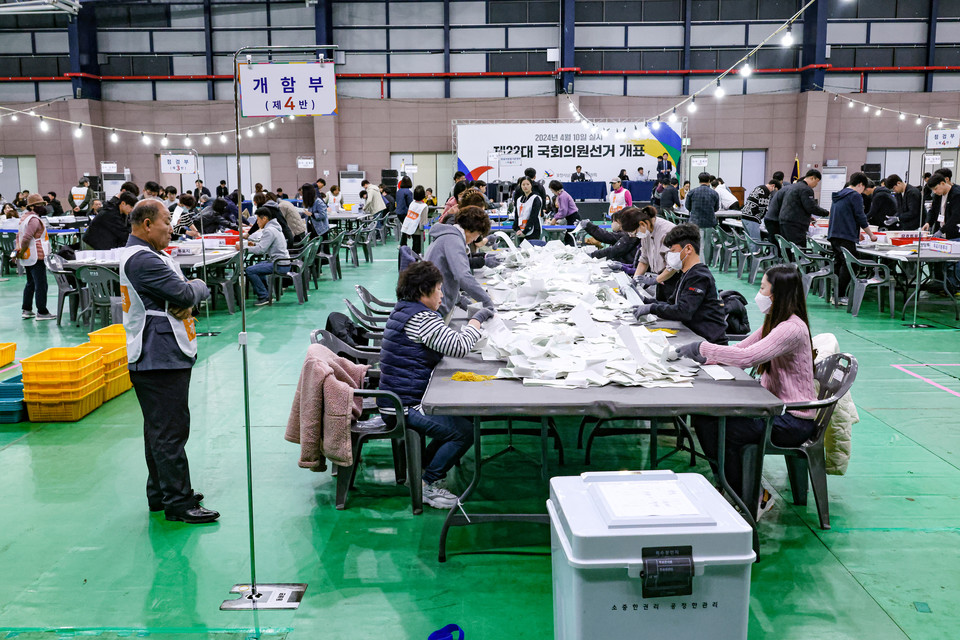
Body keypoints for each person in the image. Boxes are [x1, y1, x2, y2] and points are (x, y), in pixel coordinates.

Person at [678, 265, 817, 507]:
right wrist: (702, 358)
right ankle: (734, 487)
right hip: (776, 408)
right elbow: (740, 350)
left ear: (778, 293)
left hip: (794, 419)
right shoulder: (776, 322)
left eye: (763, 288)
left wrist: (702, 348)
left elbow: (748, 358)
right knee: (708, 420)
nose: (759, 293)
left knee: (717, 426)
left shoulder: (791, 328)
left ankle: (747, 495)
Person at [120, 199, 217, 524]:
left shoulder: (149, 256)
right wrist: (197, 287)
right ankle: (178, 501)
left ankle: (162, 492)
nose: (171, 228)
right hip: (158, 355)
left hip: (159, 351)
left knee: (159, 430)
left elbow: (180, 297)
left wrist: (184, 296)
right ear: (147, 224)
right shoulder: (143, 261)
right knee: (170, 431)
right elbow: (186, 295)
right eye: (165, 221)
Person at [378, 260, 494, 508]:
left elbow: (446, 342)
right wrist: (476, 320)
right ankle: (428, 484)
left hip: (399, 397)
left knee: (461, 421)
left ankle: (421, 473)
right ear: (424, 292)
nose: (442, 294)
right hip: (404, 405)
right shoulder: (421, 318)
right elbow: (458, 346)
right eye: (439, 289)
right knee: (462, 432)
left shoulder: (405, 310)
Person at [631, 223, 727, 345]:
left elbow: (683, 311)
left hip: (708, 341)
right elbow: (671, 304)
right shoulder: (686, 274)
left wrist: (651, 308)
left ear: (688, 249)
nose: (670, 255)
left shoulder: (699, 276)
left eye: (673, 250)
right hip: (694, 335)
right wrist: (645, 301)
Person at [424, 205, 494, 317]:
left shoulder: (448, 236)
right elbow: (463, 276)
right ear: (471, 229)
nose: (476, 239)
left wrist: (460, 300)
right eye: (478, 234)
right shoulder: (453, 239)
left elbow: (445, 272)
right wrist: (487, 302)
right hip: (433, 308)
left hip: (434, 301)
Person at [827, 172, 877, 305]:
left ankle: (835, 294)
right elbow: (860, 216)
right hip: (845, 236)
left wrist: (855, 231)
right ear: (860, 184)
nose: (862, 192)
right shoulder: (854, 195)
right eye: (863, 188)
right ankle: (841, 295)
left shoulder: (839, 195)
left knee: (839, 263)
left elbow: (845, 215)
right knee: (851, 264)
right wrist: (871, 234)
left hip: (834, 234)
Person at [15, 193, 55, 321]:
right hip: (36, 255)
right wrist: (22, 250)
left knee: (30, 283)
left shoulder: (24, 218)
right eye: (39, 205)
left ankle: (27, 309)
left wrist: (20, 251)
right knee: (41, 284)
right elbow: (26, 237)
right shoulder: (34, 220)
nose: (43, 207)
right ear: (32, 207)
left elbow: (19, 236)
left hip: (28, 256)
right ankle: (42, 312)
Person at [245, 207, 291, 306]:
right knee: (259, 266)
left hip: (279, 264)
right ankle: (267, 293)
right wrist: (253, 245)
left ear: (264, 219)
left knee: (250, 270)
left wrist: (243, 248)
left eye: (257, 220)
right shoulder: (275, 228)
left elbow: (261, 250)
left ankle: (263, 296)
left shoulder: (269, 230)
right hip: (282, 261)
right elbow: (264, 245)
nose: (257, 223)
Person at [630, 205, 677, 295]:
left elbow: (673, 266)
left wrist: (655, 280)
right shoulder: (646, 231)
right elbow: (644, 259)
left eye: (635, 233)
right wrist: (635, 280)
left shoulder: (667, 231)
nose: (635, 236)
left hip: (674, 278)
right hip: (661, 278)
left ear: (643, 224)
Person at [779, 169, 828, 248]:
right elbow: (811, 207)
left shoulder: (792, 187)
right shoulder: (806, 189)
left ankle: (790, 261)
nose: (816, 185)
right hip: (796, 224)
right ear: (812, 178)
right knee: (799, 249)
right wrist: (826, 213)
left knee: (788, 248)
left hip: (784, 221)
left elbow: (797, 205)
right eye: (817, 182)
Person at [685, 172, 720, 266]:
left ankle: (698, 263)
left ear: (699, 180)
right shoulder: (714, 193)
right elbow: (716, 208)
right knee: (708, 244)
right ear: (709, 181)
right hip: (709, 222)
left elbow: (687, 207)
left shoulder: (692, 192)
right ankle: (707, 264)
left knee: (698, 244)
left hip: (695, 223)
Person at [923, 173, 960, 238]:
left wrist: (941, 231)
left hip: (953, 234)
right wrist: (928, 222)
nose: (934, 191)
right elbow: (933, 210)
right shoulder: (938, 195)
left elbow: (955, 217)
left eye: (936, 188)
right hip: (940, 232)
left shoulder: (956, 194)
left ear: (943, 183)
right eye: (932, 190)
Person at [400, 185, 429, 254]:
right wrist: (424, 231)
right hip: (419, 231)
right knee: (417, 250)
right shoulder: (424, 206)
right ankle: (414, 263)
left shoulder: (412, 203)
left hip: (411, 229)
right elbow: (424, 222)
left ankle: (413, 262)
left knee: (414, 247)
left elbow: (409, 217)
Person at [513, 176, 543, 241]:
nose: (525, 186)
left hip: (533, 230)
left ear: (531, 185)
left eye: (527, 184)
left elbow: (533, 216)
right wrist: (517, 229)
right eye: (523, 184)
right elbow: (517, 215)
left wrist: (525, 231)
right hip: (521, 230)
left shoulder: (536, 198)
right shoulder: (519, 199)